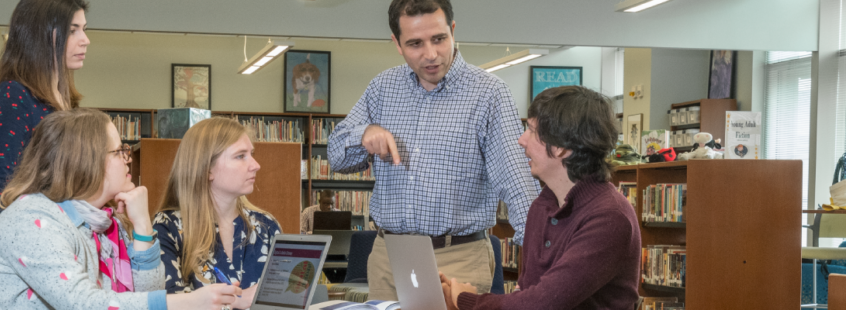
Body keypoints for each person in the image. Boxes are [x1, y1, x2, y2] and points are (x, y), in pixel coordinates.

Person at [326, 0, 541, 300]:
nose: (430, 54)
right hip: (389, 257)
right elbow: (336, 156)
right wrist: (364, 134)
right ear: (397, 44)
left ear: (453, 31)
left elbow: (519, 183)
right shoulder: (382, 88)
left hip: (459, 257)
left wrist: (538, 269)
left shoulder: (489, 94)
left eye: (439, 39)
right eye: (415, 43)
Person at [0, 108, 243, 310]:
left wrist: (143, 227)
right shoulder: (30, 220)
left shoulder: (105, 223)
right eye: (119, 151)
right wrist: (183, 303)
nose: (127, 159)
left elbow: (148, 293)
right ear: (86, 161)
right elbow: (82, 304)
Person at [441, 86, 641, 310]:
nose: (521, 140)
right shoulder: (542, 206)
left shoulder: (610, 218)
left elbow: (540, 304)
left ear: (562, 147)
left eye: (532, 130)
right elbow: (528, 292)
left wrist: (464, 300)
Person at [0, 0, 91, 229]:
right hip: (26, 246)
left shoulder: (66, 102)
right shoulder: (12, 96)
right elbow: (1, 190)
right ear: (41, 35)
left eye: (84, 29)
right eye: (72, 31)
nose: (85, 40)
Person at [152, 118, 282, 302]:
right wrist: (238, 300)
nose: (256, 165)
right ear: (207, 170)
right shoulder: (168, 227)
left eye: (251, 153)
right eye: (240, 156)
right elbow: (170, 304)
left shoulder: (266, 226)